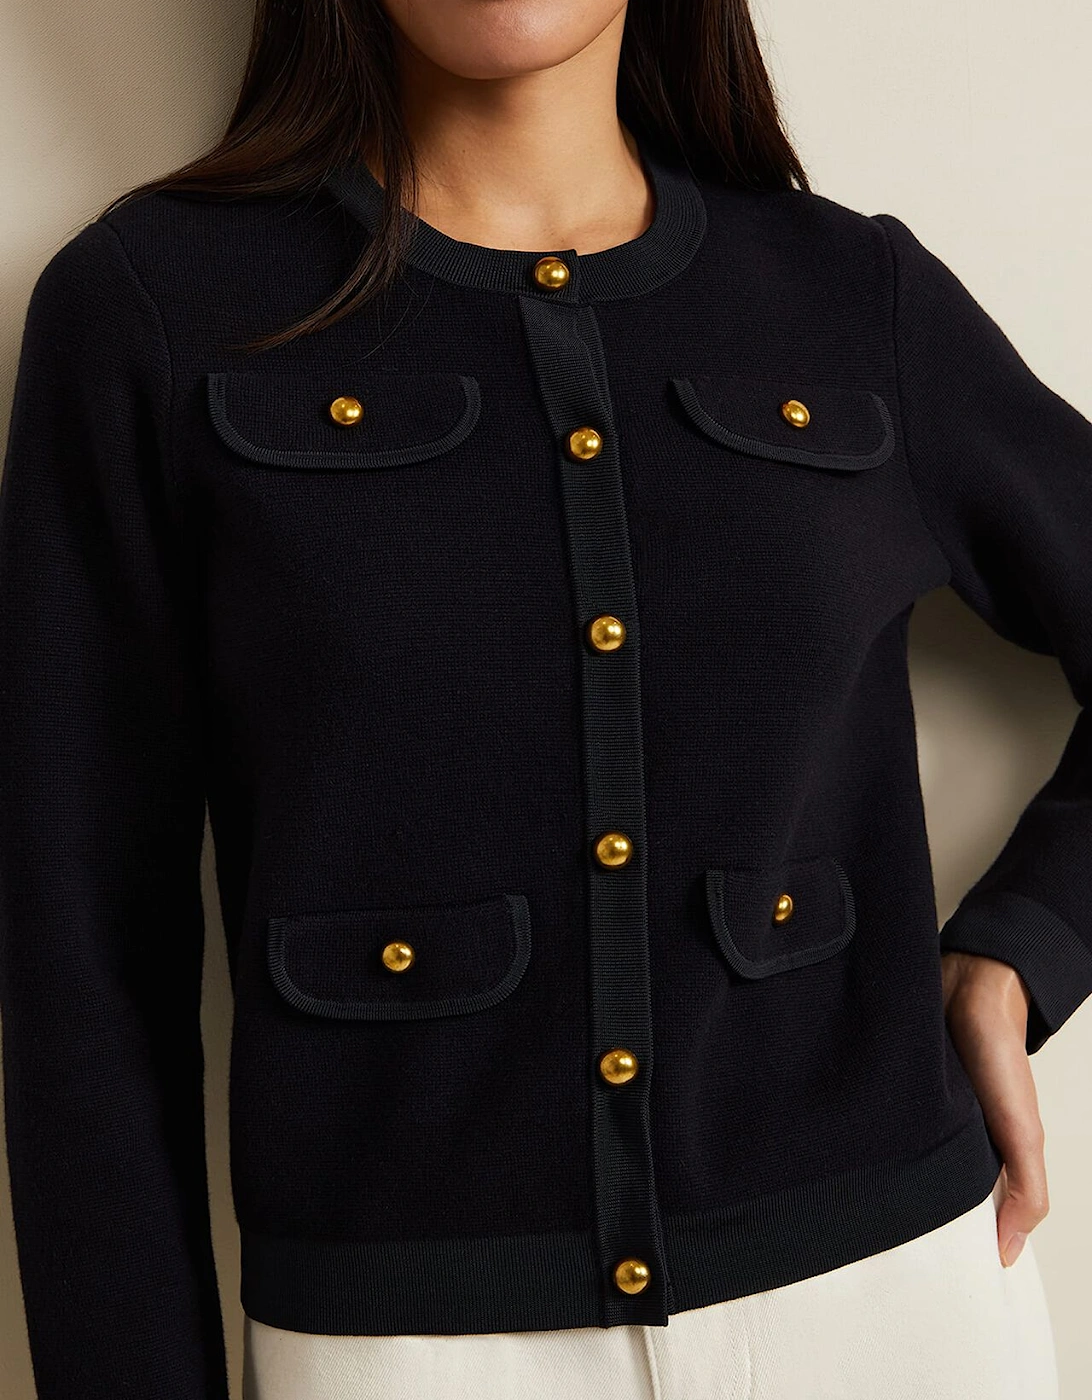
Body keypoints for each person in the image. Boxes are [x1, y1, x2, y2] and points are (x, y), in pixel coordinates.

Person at [1, 1, 1088, 1397]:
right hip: (408, 1352)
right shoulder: (152, 310)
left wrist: (1026, 950)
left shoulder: (846, 294)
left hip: (897, 1305)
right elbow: (79, 946)